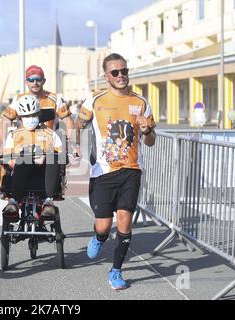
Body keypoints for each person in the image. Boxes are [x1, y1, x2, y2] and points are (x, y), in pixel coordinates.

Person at [76, 53, 156, 290]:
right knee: (103, 224)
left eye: (124, 71)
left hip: (131, 170)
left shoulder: (141, 102)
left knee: (124, 221)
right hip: (103, 171)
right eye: (115, 72)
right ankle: (100, 238)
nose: (121, 76)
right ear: (106, 76)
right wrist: (75, 138)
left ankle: (116, 271)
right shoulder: (95, 99)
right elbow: (78, 125)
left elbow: (150, 141)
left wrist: (147, 129)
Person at [2, 95, 63, 221]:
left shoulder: (51, 134)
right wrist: (29, 159)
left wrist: (46, 157)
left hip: (45, 172)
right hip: (21, 170)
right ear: (20, 116)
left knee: (53, 155)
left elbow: (61, 156)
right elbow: (8, 159)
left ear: (39, 114)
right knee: (25, 154)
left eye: (33, 115)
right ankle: (13, 202)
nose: (30, 119)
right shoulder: (13, 135)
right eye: (26, 116)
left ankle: (48, 202)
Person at [0, 65, 79, 158]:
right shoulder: (18, 99)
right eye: (31, 80)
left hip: (48, 146)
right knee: (6, 169)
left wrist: (71, 143)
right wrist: (3, 145)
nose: (35, 83)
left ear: (44, 81)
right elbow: (5, 121)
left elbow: (68, 121)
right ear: (26, 82)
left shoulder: (55, 98)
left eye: (38, 79)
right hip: (22, 147)